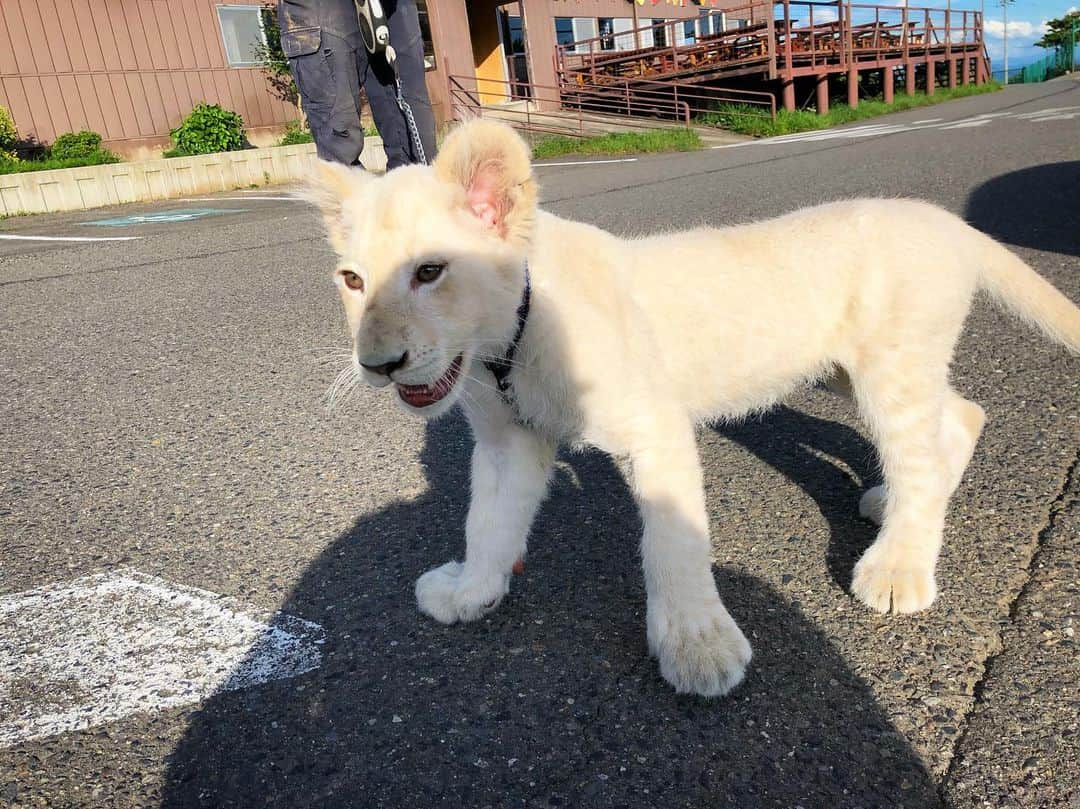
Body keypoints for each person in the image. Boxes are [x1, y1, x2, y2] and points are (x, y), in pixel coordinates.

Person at [277, 0, 436, 169]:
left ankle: (414, 193)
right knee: (339, 143)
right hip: (320, 7)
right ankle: (355, 195)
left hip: (393, 5)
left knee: (418, 147)